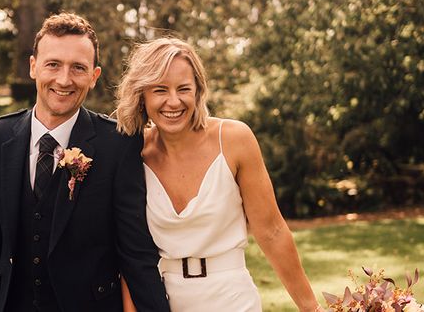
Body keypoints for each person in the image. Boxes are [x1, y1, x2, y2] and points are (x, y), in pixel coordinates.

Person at [0, 12, 170, 312]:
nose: (63, 80)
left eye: (78, 68)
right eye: (53, 64)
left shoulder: (117, 144)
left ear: (93, 77)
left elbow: (136, 252)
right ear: (33, 67)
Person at [115, 37, 323, 312]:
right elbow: (128, 250)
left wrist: (312, 308)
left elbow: (271, 231)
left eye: (184, 89)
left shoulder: (235, 139)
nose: (173, 101)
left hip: (232, 297)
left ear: (199, 91)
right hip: (164, 300)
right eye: (160, 90)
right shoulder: (133, 152)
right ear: (142, 95)